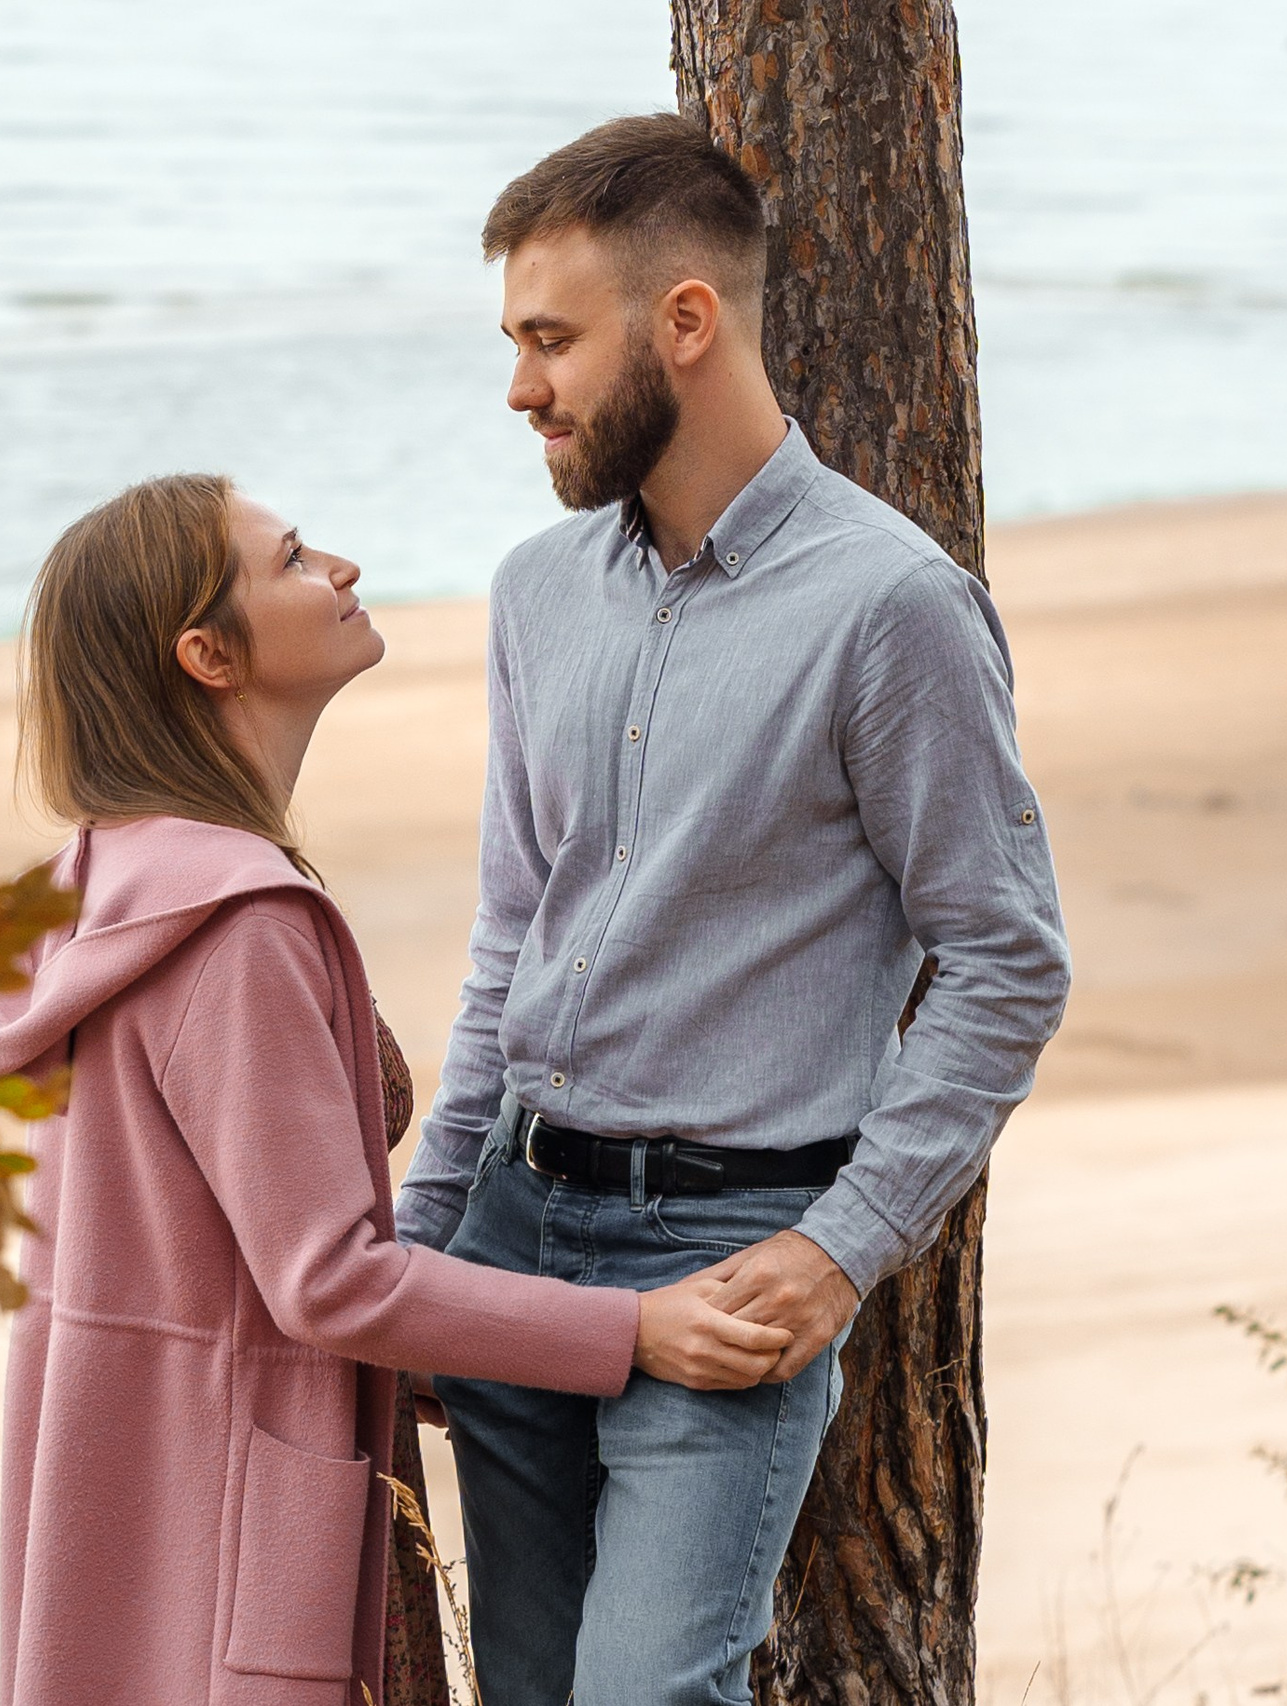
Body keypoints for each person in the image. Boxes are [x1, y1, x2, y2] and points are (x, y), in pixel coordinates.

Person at [395, 115, 1072, 1705]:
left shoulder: (890, 608)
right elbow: (514, 935)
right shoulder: (536, 594)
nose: (520, 391)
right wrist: (427, 1238)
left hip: (733, 1254)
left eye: (550, 340)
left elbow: (1003, 959)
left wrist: (843, 1247)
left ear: (684, 322)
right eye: (514, 344)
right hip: (518, 1232)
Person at [0, 472, 794, 1706]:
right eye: (294, 558)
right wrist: (631, 1331)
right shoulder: (236, 923)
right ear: (207, 653)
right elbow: (326, 1276)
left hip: (114, 1487)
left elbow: (192, 1237)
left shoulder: (92, 888)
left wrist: (424, 1348)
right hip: (235, 1509)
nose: (342, 567)